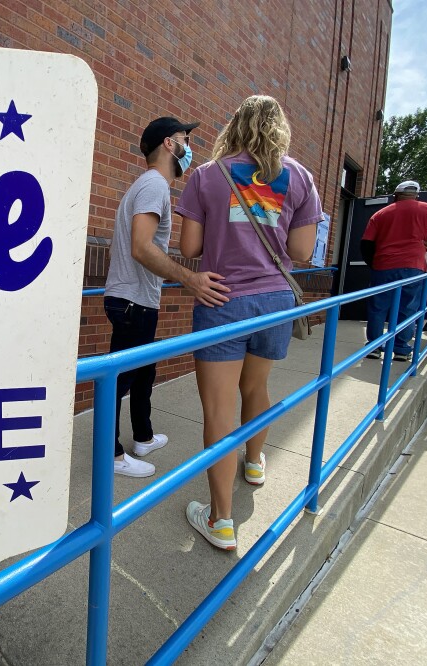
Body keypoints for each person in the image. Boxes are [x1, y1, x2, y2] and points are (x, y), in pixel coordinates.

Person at [175, 95, 322, 551]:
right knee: (256, 389)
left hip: (223, 299)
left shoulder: (206, 175)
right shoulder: (299, 176)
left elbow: (191, 248)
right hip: (275, 301)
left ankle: (220, 521)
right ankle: (255, 462)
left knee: (218, 411)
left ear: (234, 125)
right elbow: (300, 253)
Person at [104, 117, 231, 478]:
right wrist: (190, 279)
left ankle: (142, 437)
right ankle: (110, 455)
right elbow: (142, 248)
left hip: (137, 298)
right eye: (184, 138)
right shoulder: (154, 185)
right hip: (133, 301)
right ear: (168, 144)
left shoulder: (149, 185)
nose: (189, 146)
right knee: (121, 378)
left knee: (144, 371)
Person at [361, 181, 427, 362]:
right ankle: (401, 350)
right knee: (408, 307)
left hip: (384, 265)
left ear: (395, 195)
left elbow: (366, 243)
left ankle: (374, 346)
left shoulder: (380, 214)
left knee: (378, 307)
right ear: (416, 195)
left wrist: (374, 264)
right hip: (413, 265)